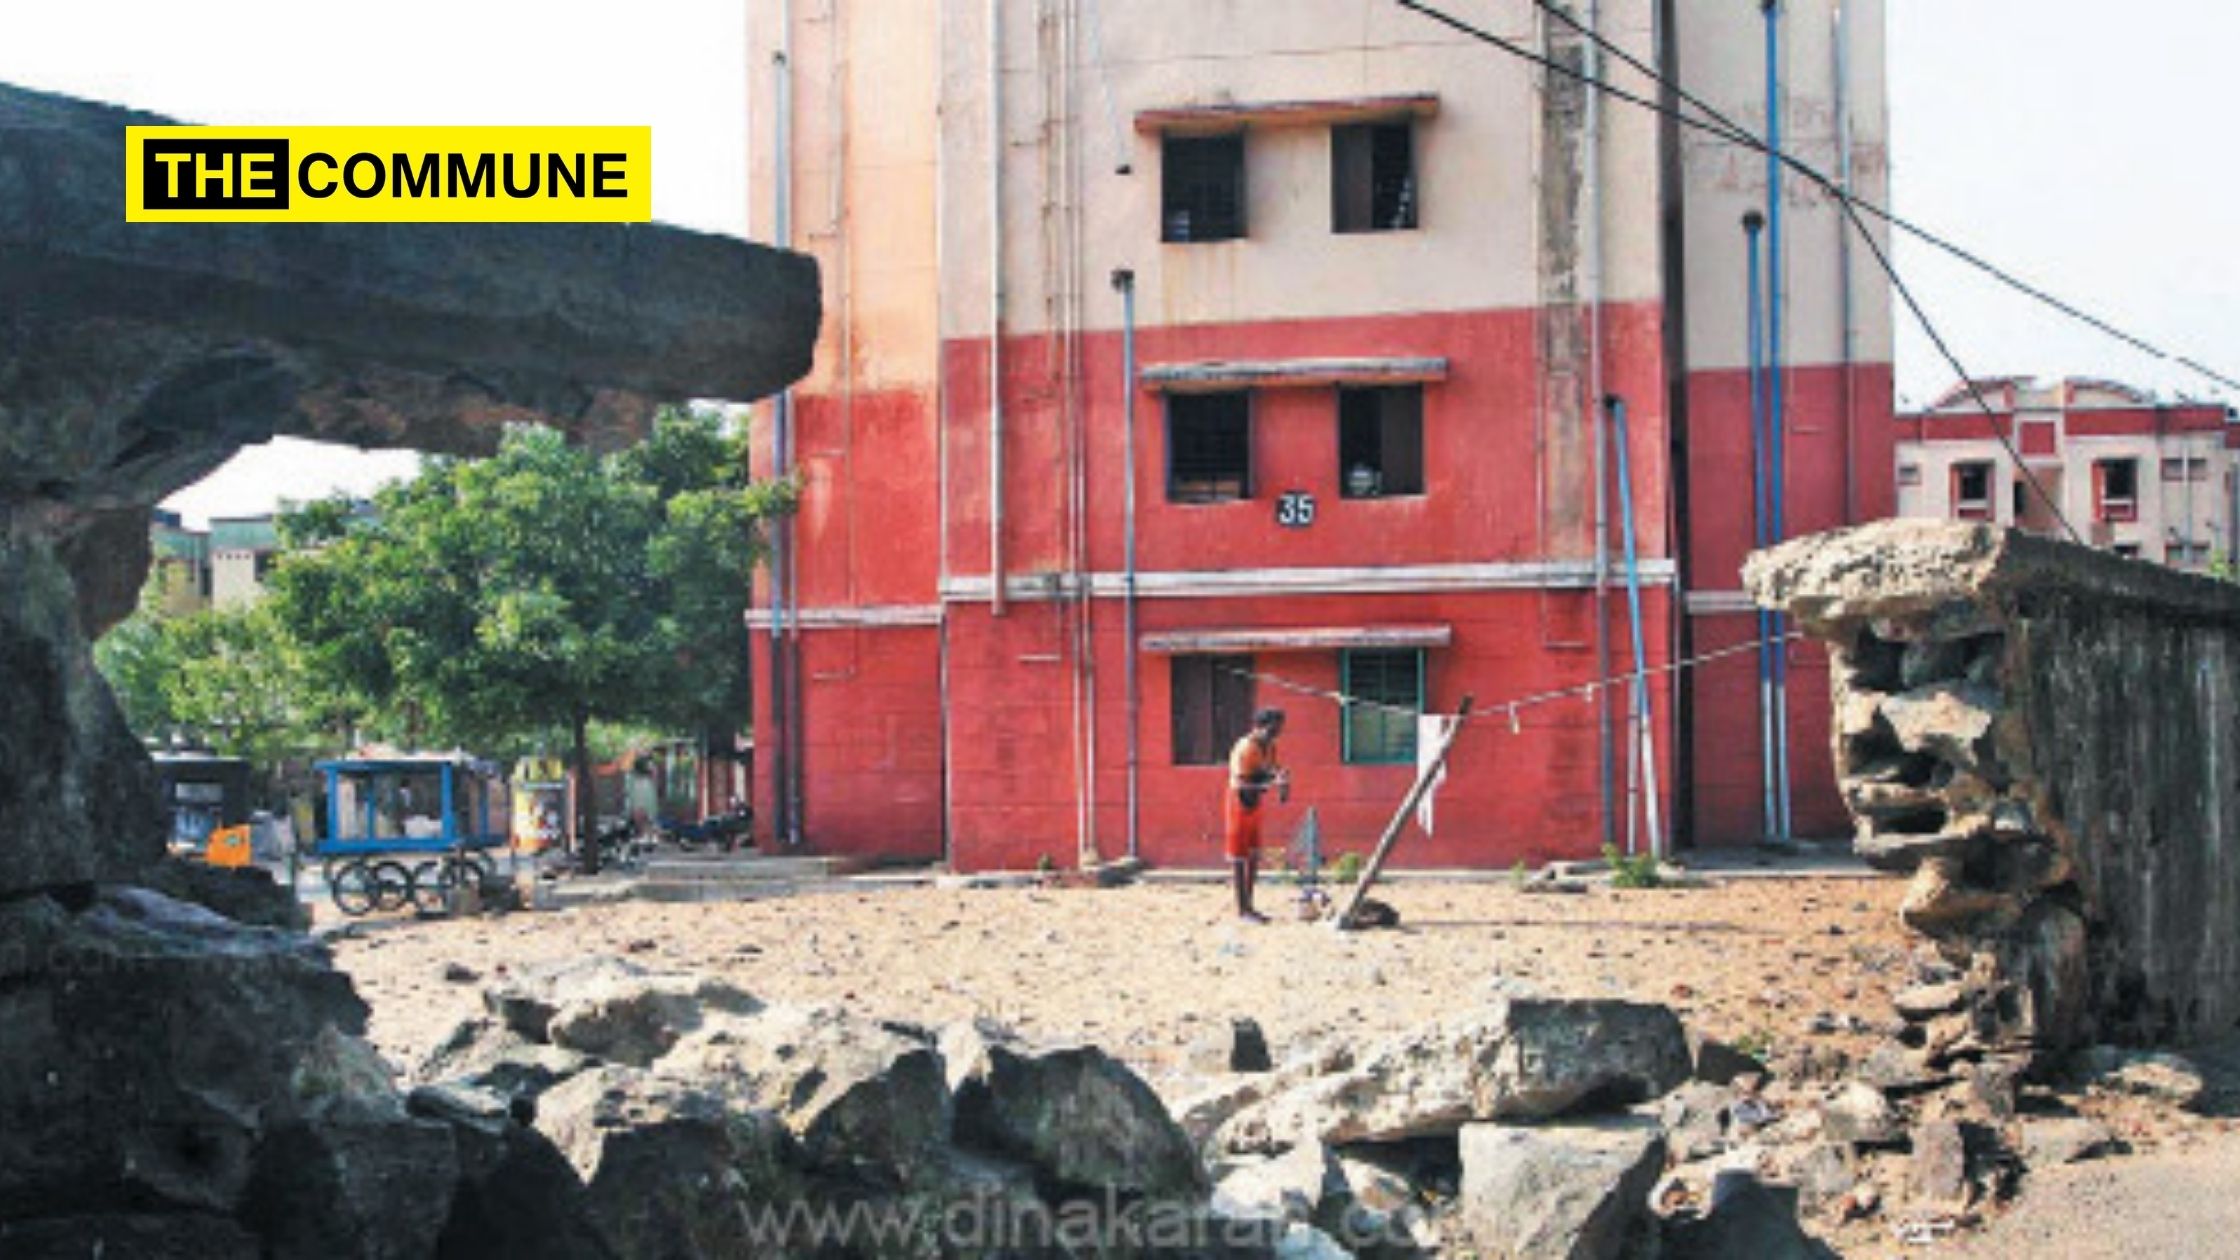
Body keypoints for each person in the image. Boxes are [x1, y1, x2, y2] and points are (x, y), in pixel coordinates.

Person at [1224, 707, 1289, 923]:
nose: (1277, 733)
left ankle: (1250, 905)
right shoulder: (1246, 747)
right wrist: (1270, 783)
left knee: (1253, 854)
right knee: (1238, 857)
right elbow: (1241, 782)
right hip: (1239, 800)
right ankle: (1242, 909)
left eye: (1279, 729)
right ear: (1259, 727)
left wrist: (1281, 780)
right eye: (1273, 729)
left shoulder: (1269, 746)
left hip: (1255, 800)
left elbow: (1272, 770)